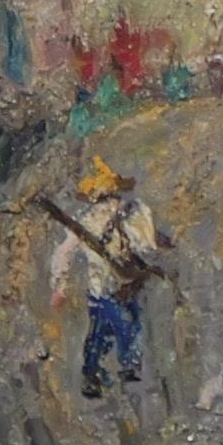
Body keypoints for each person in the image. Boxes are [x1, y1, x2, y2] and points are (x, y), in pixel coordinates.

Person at [47, 155, 165, 400]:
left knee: (109, 331)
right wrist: (60, 286)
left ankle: (102, 375)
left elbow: (146, 245)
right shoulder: (88, 221)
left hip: (125, 284)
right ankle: (120, 371)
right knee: (117, 327)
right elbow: (64, 253)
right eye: (106, 198)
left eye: (111, 198)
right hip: (102, 288)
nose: (110, 204)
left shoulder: (132, 215)